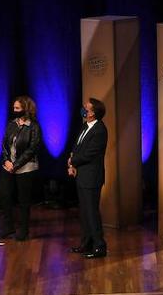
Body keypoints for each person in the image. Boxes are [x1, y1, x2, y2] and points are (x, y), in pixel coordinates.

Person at [0, 95, 42, 241]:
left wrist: (16, 165)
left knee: (24, 199)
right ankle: (8, 226)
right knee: (4, 195)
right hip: (8, 166)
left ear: (25, 109)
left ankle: (23, 230)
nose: (14, 110)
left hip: (25, 167)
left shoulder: (34, 126)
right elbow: (4, 144)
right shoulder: (12, 124)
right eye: (14, 108)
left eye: (17, 108)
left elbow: (32, 149)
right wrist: (7, 161)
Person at [68, 98, 108, 259]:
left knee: (91, 212)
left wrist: (73, 161)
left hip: (92, 177)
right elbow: (77, 147)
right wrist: (71, 162)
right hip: (82, 176)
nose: (83, 109)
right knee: (84, 212)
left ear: (93, 113)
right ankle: (86, 243)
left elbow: (90, 154)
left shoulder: (100, 130)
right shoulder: (85, 126)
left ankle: (99, 246)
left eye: (86, 108)